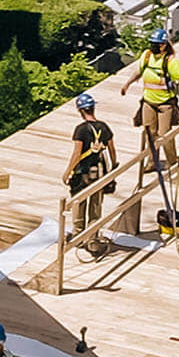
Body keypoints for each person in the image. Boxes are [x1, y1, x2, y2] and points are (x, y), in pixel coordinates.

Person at [120, 27, 179, 172]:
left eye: (157, 44)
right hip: (148, 102)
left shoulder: (170, 61)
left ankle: (172, 161)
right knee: (150, 134)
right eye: (152, 43)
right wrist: (127, 84)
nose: (153, 46)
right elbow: (138, 71)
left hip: (165, 105)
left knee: (165, 135)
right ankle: (151, 162)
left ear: (164, 45)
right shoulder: (147, 56)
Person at [63, 92, 118, 245]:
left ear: (81, 111)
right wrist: (113, 167)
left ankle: (78, 236)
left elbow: (77, 153)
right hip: (99, 171)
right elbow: (112, 150)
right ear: (93, 108)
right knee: (95, 204)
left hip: (83, 172)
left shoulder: (80, 130)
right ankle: (92, 236)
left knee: (79, 203)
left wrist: (68, 171)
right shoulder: (104, 127)